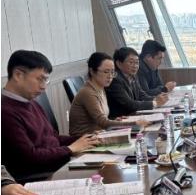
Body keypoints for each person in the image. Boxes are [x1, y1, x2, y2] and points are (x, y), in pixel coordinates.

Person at [1, 50, 98, 182]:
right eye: (40, 79)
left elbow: (53, 139)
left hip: (59, 165)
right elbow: (29, 158)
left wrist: (86, 139)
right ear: (18, 75)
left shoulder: (31, 102)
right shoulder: (5, 111)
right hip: (40, 177)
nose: (43, 87)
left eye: (46, 80)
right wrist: (70, 149)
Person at [69, 52, 148, 136]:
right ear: (92, 71)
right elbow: (103, 122)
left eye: (112, 72)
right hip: (83, 139)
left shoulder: (101, 88)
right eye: (106, 72)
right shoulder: (87, 92)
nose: (110, 76)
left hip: (98, 134)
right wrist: (134, 123)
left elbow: (102, 120)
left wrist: (115, 120)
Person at [106, 47, 169, 118]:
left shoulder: (133, 76)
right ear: (119, 64)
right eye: (131, 62)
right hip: (120, 120)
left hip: (132, 116)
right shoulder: (115, 80)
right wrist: (155, 103)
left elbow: (142, 96)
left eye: (137, 62)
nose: (135, 66)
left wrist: (156, 98)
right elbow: (129, 104)